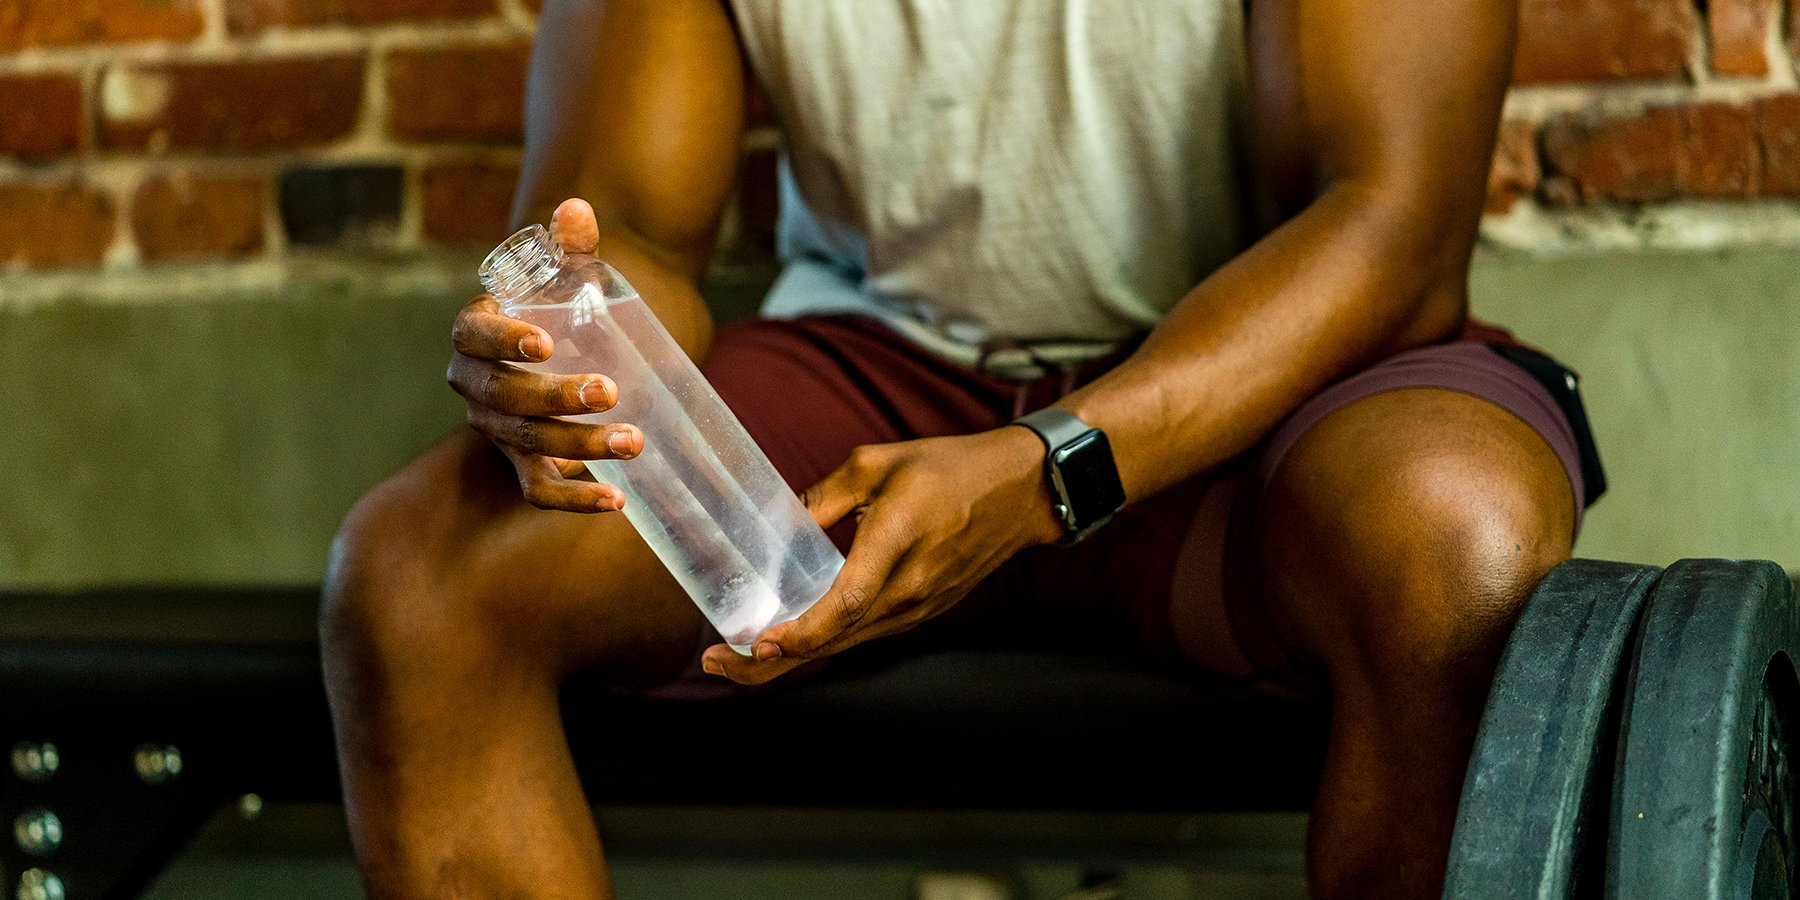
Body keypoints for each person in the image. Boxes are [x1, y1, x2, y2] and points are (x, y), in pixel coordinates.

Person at [322, 0, 1598, 896]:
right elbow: (633, 230)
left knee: (1450, 534)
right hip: (880, 391)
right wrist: (572, 356)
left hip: (1247, 391)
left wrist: (1052, 465)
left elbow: (1391, 224)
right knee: (422, 580)